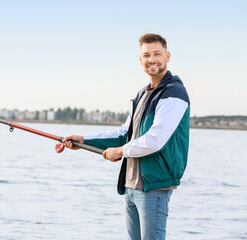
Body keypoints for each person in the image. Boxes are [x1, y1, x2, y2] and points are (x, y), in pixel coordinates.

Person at [63, 33, 190, 240]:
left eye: (157, 54)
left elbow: (155, 139)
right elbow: (124, 133)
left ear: (167, 56)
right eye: (146, 55)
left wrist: (120, 151)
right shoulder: (142, 94)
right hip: (131, 185)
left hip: (154, 186)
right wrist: (84, 140)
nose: (152, 59)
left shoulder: (174, 93)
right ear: (140, 60)